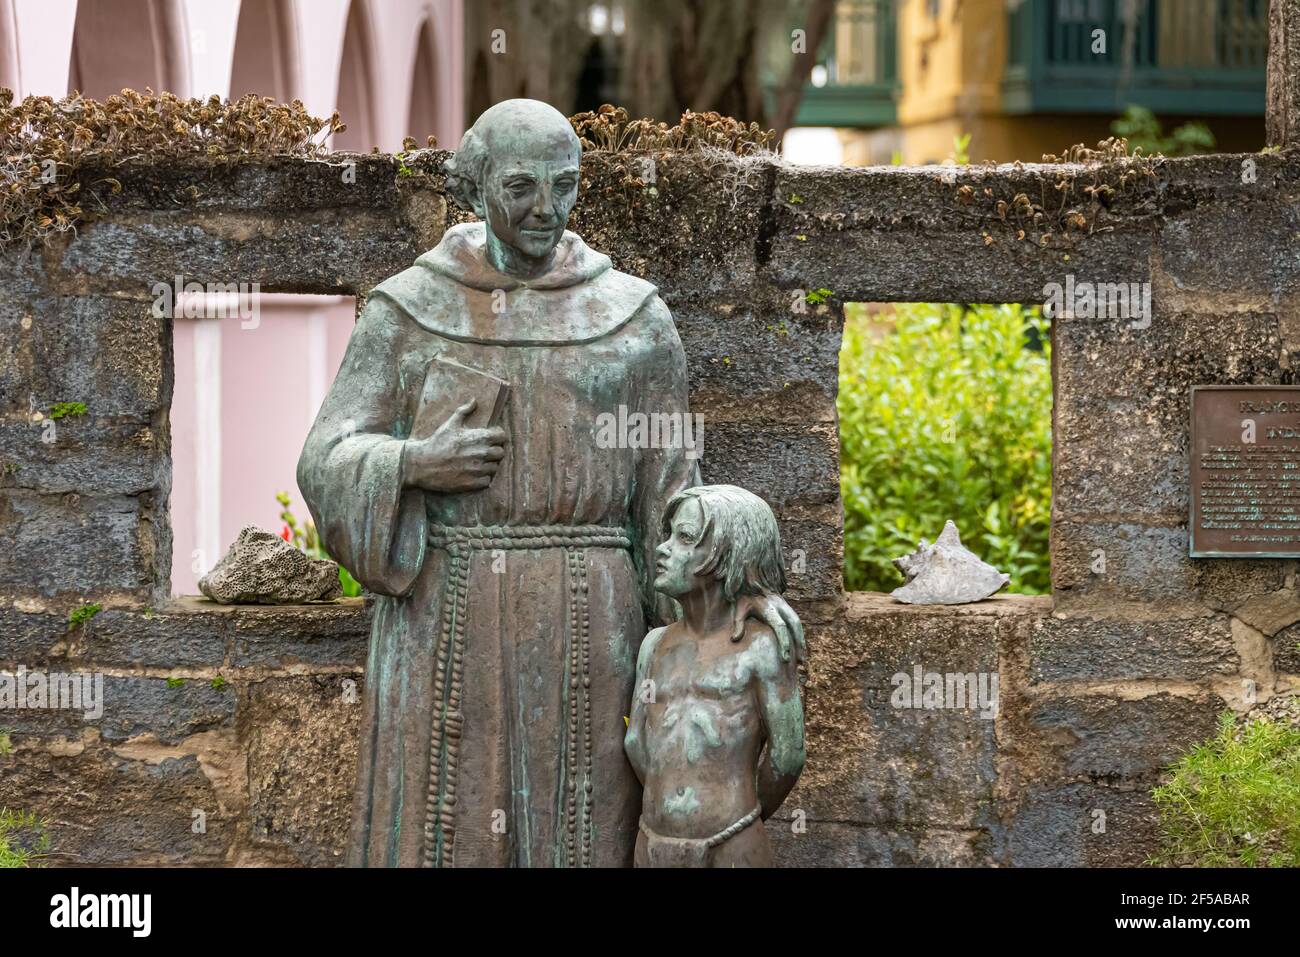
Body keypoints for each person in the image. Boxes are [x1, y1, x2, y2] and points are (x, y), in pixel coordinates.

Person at [298, 99, 801, 867]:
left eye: (563, 186)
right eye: (522, 187)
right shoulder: (408, 309)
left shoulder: (633, 319)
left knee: (585, 824)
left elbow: (673, 501)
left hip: (590, 618)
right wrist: (410, 463)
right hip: (447, 607)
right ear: (475, 185)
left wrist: (737, 586)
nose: (546, 208)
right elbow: (326, 455)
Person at [624, 485, 806, 867]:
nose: (664, 548)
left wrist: (735, 811)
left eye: (686, 538)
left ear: (731, 555)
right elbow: (636, 741)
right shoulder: (653, 646)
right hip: (652, 841)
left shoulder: (761, 649)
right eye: (669, 534)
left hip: (732, 842)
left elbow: (787, 757)